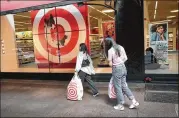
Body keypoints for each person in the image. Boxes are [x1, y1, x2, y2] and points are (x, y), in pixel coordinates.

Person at [107, 39, 139, 110]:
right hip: (123, 68)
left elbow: (110, 64)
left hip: (117, 69)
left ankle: (120, 105)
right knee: (124, 85)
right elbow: (125, 58)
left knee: (118, 87)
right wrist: (120, 62)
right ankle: (134, 101)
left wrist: (111, 62)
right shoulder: (121, 47)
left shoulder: (110, 51)